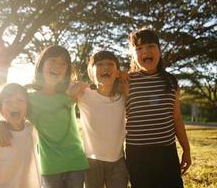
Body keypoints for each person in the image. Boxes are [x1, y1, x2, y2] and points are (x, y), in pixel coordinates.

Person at [0, 45, 89, 188]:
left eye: (64, 63)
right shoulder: (29, 99)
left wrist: (81, 85)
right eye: (53, 60)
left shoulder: (69, 93)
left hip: (76, 162)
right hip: (49, 166)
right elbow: (12, 111)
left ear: (66, 72)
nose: (58, 65)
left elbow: (95, 92)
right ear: (41, 64)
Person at [125, 28, 191, 188]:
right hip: (137, 153)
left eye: (150, 46)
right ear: (133, 55)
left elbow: (176, 118)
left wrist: (186, 150)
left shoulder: (171, 81)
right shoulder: (126, 81)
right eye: (139, 48)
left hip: (167, 152)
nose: (145, 51)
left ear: (160, 51)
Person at [68, 51, 128, 188]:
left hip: (117, 161)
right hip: (91, 161)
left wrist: (126, 77)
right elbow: (59, 89)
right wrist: (73, 89)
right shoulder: (84, 94)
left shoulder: (123, 95)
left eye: (110, 64)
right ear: (90, 73)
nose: (105, 67)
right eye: (99, 64)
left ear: (117, 72)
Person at [0, 83, 40, 188]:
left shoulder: (32, 129)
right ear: (0, 108)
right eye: (8, 101)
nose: (15, 105)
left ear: (27, 105)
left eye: (20, 100)